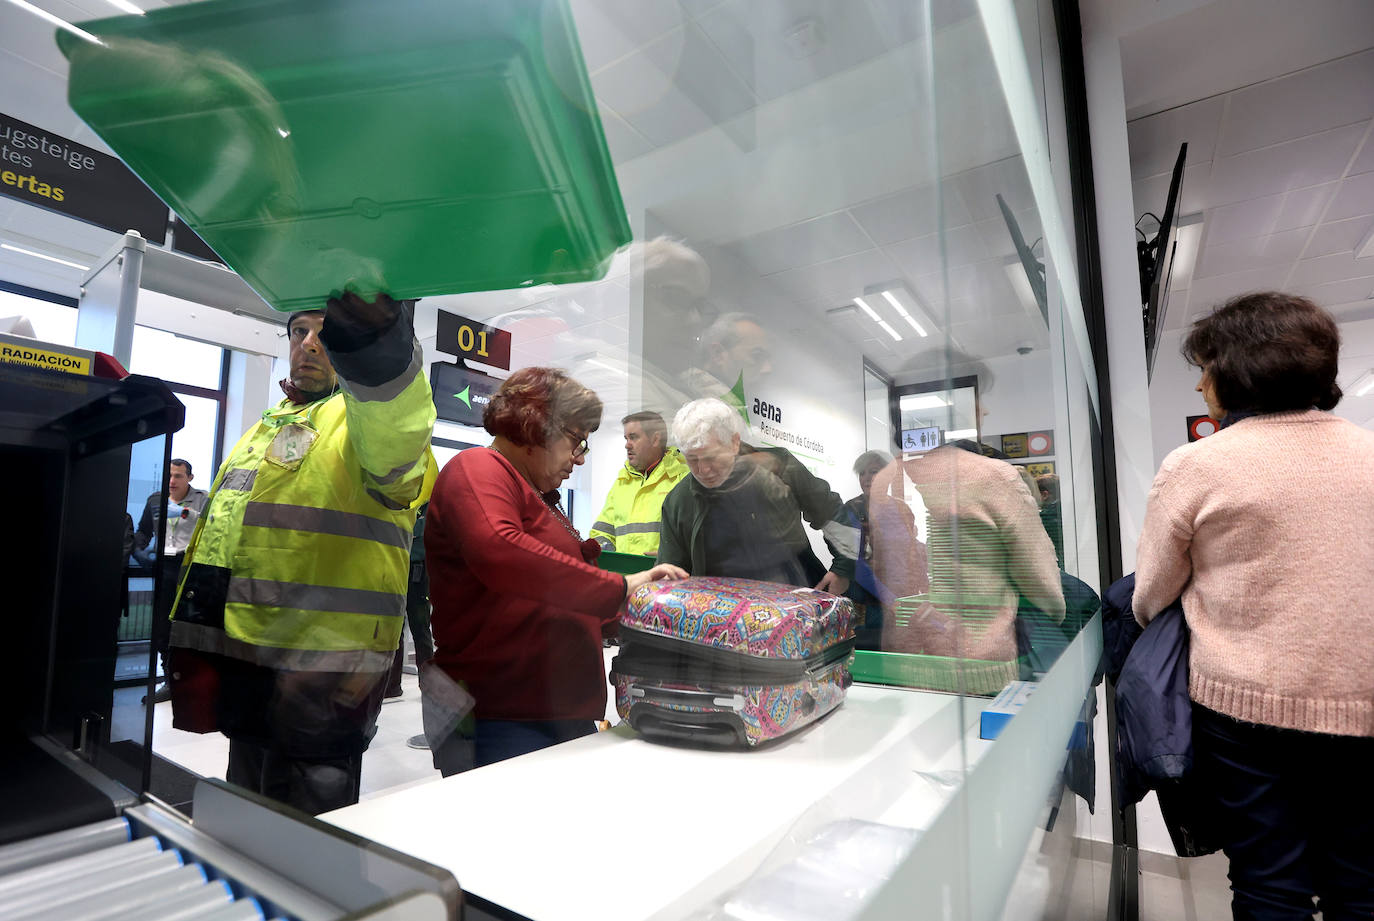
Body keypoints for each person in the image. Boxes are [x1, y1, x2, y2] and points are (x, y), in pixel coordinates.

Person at [1133, 292, 1374, 920]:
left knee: (1270, 881)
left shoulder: (1197, 465)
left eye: (1205, 367)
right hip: (1363, 701)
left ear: (1237, 369)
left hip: (1246, 706)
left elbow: (1152, 593)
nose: (1200, 385)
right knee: (1361, 880)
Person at [168, 292, 436, 815]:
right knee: (246, 810)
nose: (309, 344)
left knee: (308, 828)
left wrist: (380, 351)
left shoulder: (363, 420)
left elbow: (397, 429)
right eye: (298, 331)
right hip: (251, 655)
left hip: (327, 671)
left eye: (327, 333)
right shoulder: (268, 424)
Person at [423, 367, 687, 774]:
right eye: (575, 441)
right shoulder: (477, 468)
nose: (579, 458)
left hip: (553, 709)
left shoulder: (538, 495)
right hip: (501, 714)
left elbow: (558, 599)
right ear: (536, 425)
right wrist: (619, 589)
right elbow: (500, 550)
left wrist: (648, 610)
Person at [868, 438, 1063, 694]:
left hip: (909, 654)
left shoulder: (894, 476)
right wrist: (1055, 614)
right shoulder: (995, 476)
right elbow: (1039, 577)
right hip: (982, 662)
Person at [656, 398, 855, 592]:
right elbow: (670, 576)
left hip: (793, 598)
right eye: (692, 459)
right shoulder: (678, 501)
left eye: (711, 457)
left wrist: (843, 569)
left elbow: (832, 512)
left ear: (734, 442)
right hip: (723, 608)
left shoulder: (781, 467)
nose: (703, 470)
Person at [134, 458, 208, 704]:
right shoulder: (155, 500)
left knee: (189, 622)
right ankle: (169, 680)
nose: (172, 481)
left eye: (178, 476)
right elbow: (143, 531)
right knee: (162, 625)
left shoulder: (202, 499)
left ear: (190, 478)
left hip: (190, 567)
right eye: (169, 476)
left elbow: (212, 526)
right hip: (164, 566)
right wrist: (138, 552)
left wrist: (185, 513)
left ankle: (191, 680)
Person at [590, 411, 689, 557]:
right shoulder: (621, 483)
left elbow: (699, 538)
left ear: (655, 439)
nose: (627, 445)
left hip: (666, 571)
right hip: (625, 571)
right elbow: (601, 532)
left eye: (633, 437)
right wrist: (609, 556)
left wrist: (673, 556)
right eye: (626, 438)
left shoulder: (683, 480)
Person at [841, 450, 905, 650]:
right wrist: (890, 599)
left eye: (874, 471)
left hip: (899, 597)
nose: (866, 478)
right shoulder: (852, 509)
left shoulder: (901, 509)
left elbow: (911, 553)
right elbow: (856, 564)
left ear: (889, 474)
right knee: (870, 653)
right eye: (862, 473)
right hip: (866, 601)